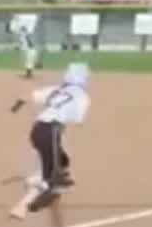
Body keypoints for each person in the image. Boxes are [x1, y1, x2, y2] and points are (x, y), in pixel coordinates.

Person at [9, 62, 91, 218]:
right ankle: (23, 205)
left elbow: (25, 97)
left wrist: (15, 107)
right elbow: (77, 121)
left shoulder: (56, 90)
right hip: (51, 132)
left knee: (60, 156)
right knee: (49, 178)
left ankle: (60, 175)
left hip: (37, 129)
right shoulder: (82, 97)